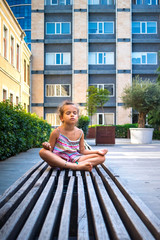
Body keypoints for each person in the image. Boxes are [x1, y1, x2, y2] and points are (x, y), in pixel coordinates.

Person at [39, 101, 108, 172]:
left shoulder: (80, 132)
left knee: (101, 158)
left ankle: (77, 164)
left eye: (74, 113)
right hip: (59, 159)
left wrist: (97, 151)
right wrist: (47, 147)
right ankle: (75, 166)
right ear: (61, 117)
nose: (72, 115)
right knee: (42, 152)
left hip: (75, 158)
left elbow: (82, 151)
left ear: (77, 117)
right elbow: (50, 151)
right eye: (68, 113)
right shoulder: (56, 132)